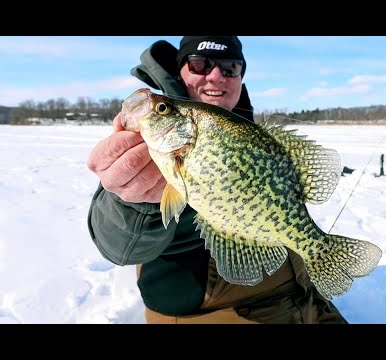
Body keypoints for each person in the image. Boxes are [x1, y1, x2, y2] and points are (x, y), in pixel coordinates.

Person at [87, 36, 348, 324]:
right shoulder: (146, 147)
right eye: (200, 64)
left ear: (240, 76)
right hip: (207, 312)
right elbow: (119, 245)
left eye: (230, 68)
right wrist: (133, 203)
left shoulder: (252, 135)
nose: (215, 76)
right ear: (179, 71)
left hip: (301, 294)